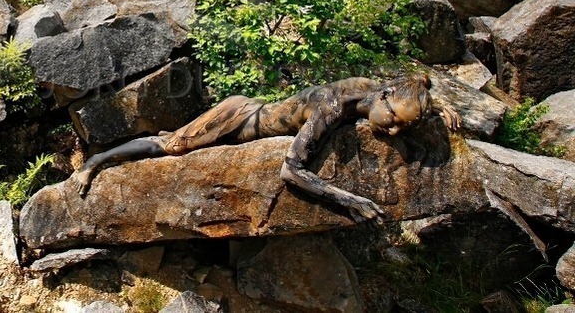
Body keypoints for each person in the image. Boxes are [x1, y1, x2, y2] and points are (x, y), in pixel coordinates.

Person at [72, 72, 461, 221]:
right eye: (393, 121)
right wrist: (351, 201)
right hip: (239, 119)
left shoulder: (372, 90)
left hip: (254, 111)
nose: (393, 132)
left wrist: (438, 108)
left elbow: (416, 79)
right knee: (170, 146)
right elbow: (291, 171)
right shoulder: (333, 106)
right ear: (385, 97)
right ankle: (97, 160)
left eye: (402, 127)